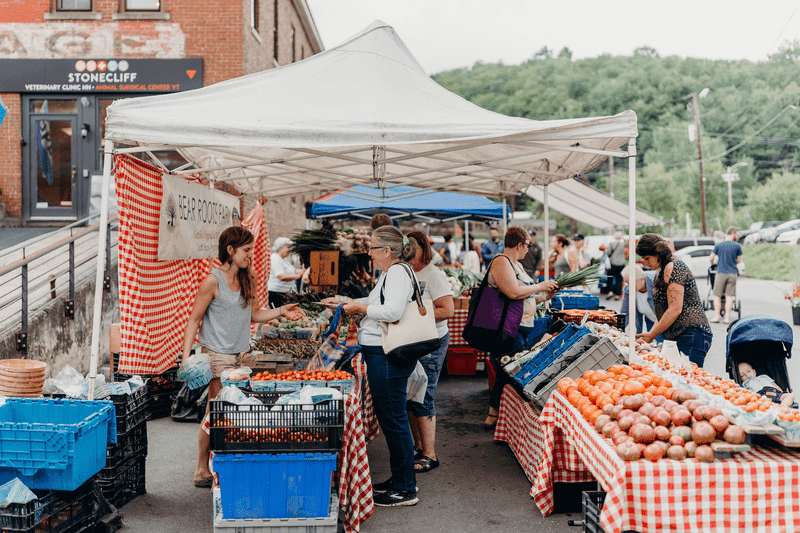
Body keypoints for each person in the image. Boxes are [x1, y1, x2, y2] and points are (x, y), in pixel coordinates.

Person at [182, 227, 304, 488]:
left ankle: (224, 463)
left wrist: (282, 310)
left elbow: (254, 315)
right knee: (215, 412)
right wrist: (185, 359)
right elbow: (193, 320)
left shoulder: (250, 277)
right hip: (216, 356)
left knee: (232, 412)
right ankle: (202, 468)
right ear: (230, 250)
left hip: (240, 356)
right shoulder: (212, 281)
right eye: (246, 250)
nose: (251, 255)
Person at [329, 226, 421, 506]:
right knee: (391, 418)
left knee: (394, 420)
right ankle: (400, 478)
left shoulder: (395, 273)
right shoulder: (392, 273)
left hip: (388, 355)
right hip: (384, 354)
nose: (368, 253)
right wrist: (348, 303)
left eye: (372, 248)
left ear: (387, 251)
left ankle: (406, 489)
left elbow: (391, 312)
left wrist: (358, 309)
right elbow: (375, 302)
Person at [484, 226, 558, 430]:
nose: (528, 249)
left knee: (510, 371)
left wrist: (544, 297)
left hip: (521, 326)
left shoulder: (517, 265)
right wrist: (540, 286)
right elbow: (513, 292)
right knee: (512, 371)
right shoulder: (501, 261)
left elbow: (526, 296)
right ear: (519, 244)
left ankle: (498, 415)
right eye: (527, 245)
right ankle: (498, 417)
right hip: (507, 328)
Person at [406, 231, 455, 474]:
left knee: (424, 396)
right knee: (410, 395)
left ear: (423, 250)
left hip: (432, 341)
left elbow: (447, 310)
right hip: (411, 341)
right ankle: (417, 446)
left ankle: (430, 454)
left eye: (411, 249)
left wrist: (413, 313)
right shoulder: (405, 273)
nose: (408, 254)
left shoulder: (433, 275)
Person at [635, 233, 712, 367]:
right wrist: (649, 335)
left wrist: (651, 335)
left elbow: (675, 309)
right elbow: (663, 313)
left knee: (689, 378)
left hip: (691, 332)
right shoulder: (660, 273)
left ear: (657, 253)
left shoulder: (673, 268)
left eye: (647, 258)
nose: (645, 263)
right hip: (682, 335)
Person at [619, 265, 662, 342]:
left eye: (630, 283)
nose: (628, 287)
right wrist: (618, 331)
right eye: (626, 283)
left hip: (664, 321)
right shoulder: (628, 290)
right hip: (651, 320)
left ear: (642, 280)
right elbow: (625, 313)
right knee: (654, 344)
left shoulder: (656, 281)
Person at [709, 226, 743, 324]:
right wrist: (732, 262)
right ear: (733, 233)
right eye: (736, 234)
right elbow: (739, 260)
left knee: (717, 295)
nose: (737, 236)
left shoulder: (719, 245)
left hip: (721, 273)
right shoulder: (737, 246)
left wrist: (714, 263)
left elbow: (711, 258)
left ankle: (716, 316)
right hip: (732, 273)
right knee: (729, 296)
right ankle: (727, 318)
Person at [267, 237, 309, 309]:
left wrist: (303, 271)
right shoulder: (275, 258)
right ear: (280, 247)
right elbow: (281, 276)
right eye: (288, 247)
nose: (290, 250)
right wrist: (297, 276)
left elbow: (292, 270)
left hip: (283, 292)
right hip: (276, 293)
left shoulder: (283, 259)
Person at [606, 231, 627, 300]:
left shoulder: (611, 244)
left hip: (612, 263)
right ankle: (618, 295)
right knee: (619, 279)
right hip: (621, 264)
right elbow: (627, 245)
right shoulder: (623, 244)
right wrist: (622, 237)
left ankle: (610, 292)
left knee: (610, 278)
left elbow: (608, 253)